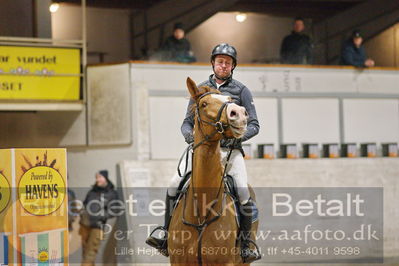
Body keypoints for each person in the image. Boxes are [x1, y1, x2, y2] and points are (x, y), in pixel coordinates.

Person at [146, 43, 261, 263]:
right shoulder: (200, 89)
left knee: (243, 192)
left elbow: (255, 125)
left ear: (232, 66)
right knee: (173, 184)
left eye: (228, 63)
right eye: (220, 62)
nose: (223, 66)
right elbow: (186, 123)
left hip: (230, 152)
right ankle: (165, 234)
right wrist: (190, 136)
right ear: (213, 63)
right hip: (201, 151)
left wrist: (235, 137)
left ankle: (246, 243)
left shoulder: (241, 90)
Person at [79, 170, 119, 266]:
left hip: (98, 227)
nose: (97, 179)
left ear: (105, 178)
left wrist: (102, 216)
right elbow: (85, 203)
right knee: (85, 253)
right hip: (84, 225)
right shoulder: (92, 191)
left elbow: (115, 209)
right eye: (96, 177)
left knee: (90, 253)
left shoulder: (111, 193)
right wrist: (82, 212)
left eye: (100, 177)